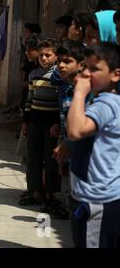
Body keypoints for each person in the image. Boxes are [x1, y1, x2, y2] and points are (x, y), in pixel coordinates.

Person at [67, 42, 120, 248]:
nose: (87, 74)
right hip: (101, 196)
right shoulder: (107, 100)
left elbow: (75, 130)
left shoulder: (106, 103)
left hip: (98, 199)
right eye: (85, 67)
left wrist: (79, 92)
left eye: (95, 69)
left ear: (115, 75)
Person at [20, 39, 68, 219]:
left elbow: (61, 102)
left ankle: (51, 195)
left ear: (56, 56)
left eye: (48, 55)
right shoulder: (33, 74)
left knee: (51, 159)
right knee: (33, 157)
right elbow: (29, 99)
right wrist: (26, 120)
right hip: (34, 122)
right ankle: (35, 192)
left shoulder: (58, 75)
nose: (43, 58)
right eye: (41, 55)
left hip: (51, 125)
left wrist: (58, 123)